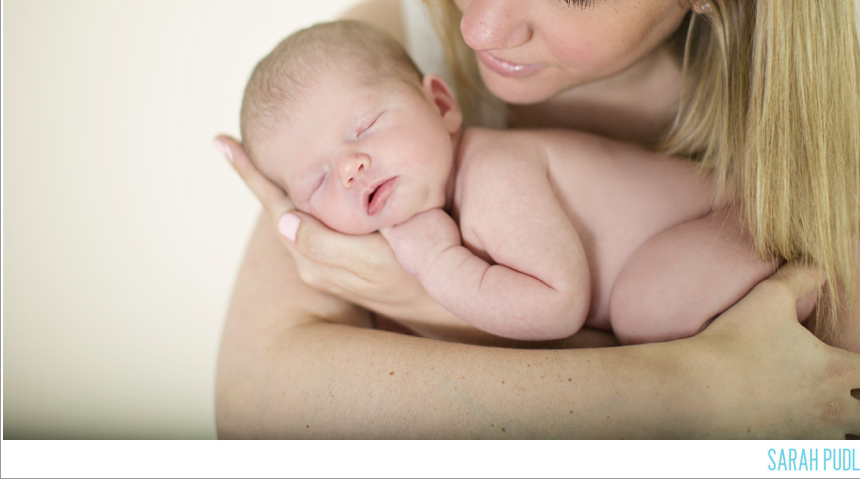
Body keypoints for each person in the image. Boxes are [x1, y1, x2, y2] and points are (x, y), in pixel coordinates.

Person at [213, 0, 860, 438]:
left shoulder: (806, 106)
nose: (479, 26)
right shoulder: (374, 60)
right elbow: (257, 404)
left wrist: (421, 303)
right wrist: (692, 387)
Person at [239, 20, 789, 345]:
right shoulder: (441, 206)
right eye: (316, 182)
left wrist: (436, 267)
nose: (349, 167)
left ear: (441, 104)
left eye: (364, 127)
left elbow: (556, 306)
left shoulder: (493, 175)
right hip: (705, 241)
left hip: (726, 222)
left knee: (649, 309)